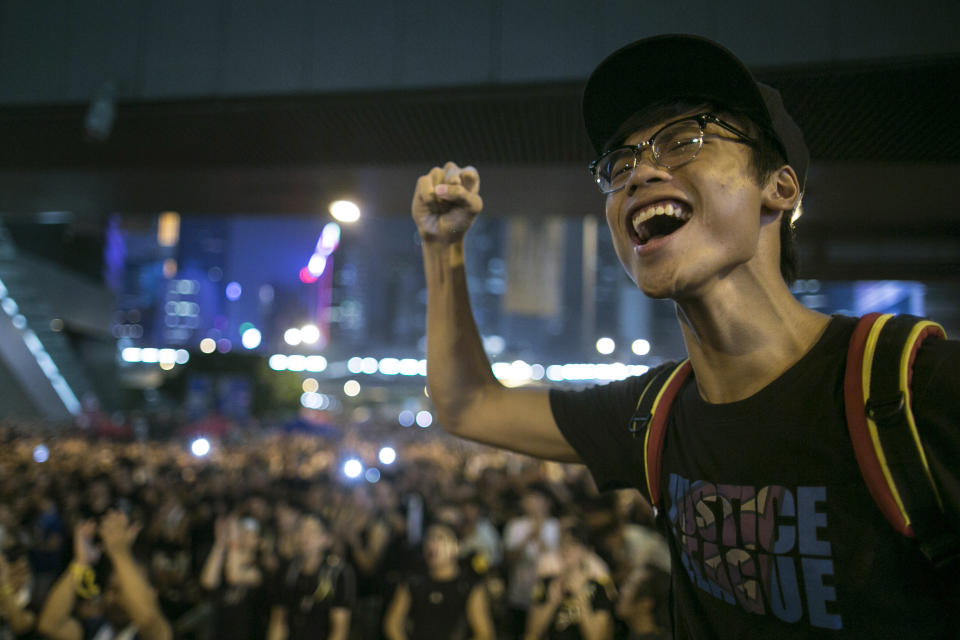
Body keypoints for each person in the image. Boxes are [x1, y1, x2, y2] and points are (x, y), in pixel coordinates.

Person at [410, 33, 960, 638]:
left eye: (683, 140)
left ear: (779, 188)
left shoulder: (917, 389)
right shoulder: (655, 418)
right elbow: (467, 405)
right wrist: (443, 249)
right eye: (618, 165)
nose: (640, 172)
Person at [36, 511, 172, 640]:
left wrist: (119, 553)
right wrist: (81, 562)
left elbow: (147, 619)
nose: (117, 599)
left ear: (152, 593)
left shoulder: (157, 632)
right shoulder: (95, 628)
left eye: (124, 591)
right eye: (112, 590)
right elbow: (50, 625)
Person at [383, 520, 494, 640]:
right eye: (429, 538)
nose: (433, 544)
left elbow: (484, 633)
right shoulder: (413, 581)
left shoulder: (469, 585)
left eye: (440, 538)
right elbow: (392, 624)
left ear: (456, 547)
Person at [267, 513, 355, 640]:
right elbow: (278, 621)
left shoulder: (339, 572)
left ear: (327, 539)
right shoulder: (287, 569)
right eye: (301, 529)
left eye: (313, 531)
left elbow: (339, 629)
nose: (305, 535)